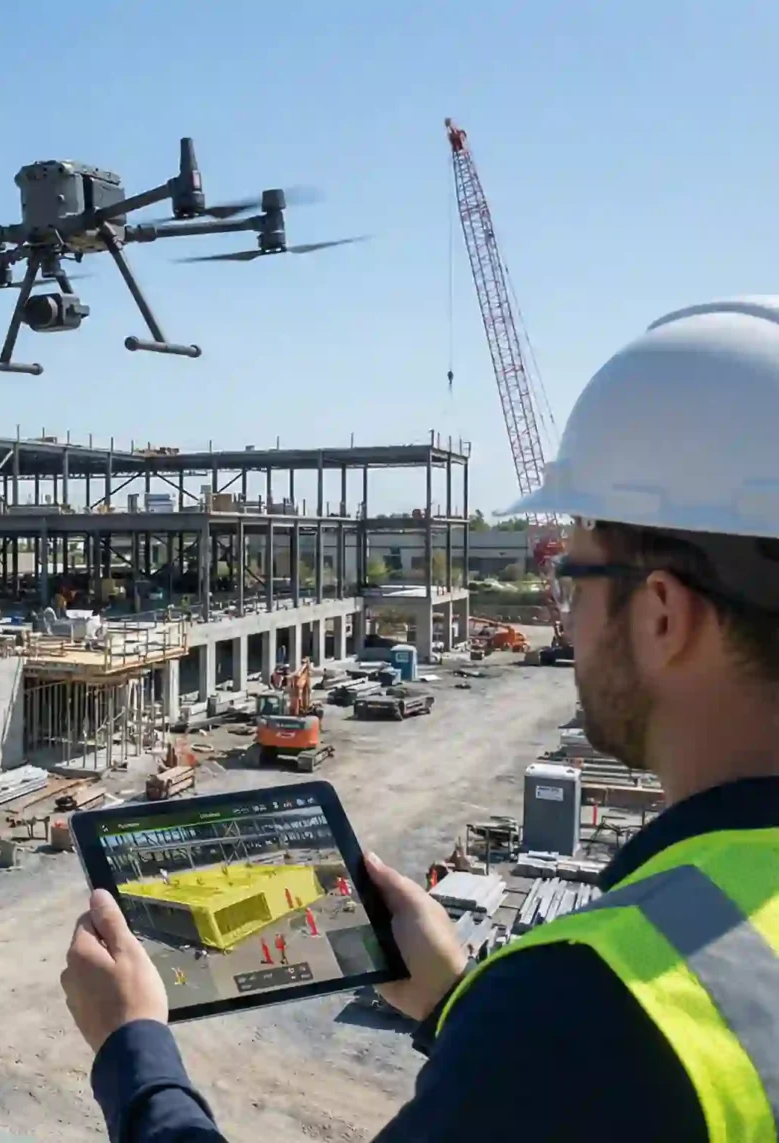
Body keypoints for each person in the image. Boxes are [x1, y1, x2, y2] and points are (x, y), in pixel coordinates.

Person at [61, 297, 779, 1142]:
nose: (566, 614)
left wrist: (133, 1047)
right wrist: (457, 998)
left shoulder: (593, 1004)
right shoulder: (641, 990)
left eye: (574, 576)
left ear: (663, 614)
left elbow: (588, 1065)